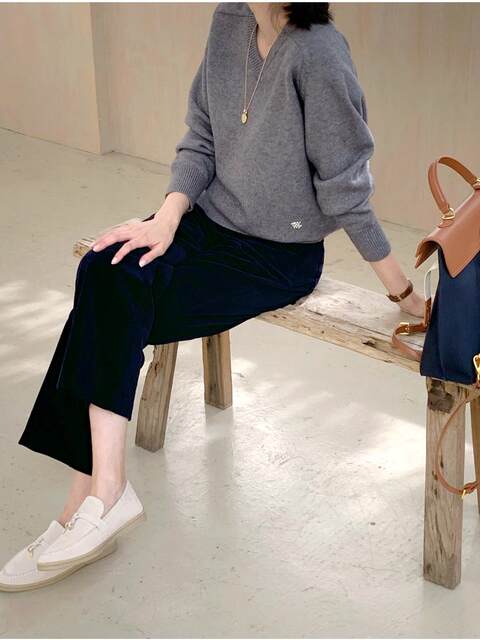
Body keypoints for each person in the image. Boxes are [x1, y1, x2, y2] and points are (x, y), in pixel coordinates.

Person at [0, 2, 424, 591]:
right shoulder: (230, 19)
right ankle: (100, 493)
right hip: (206, 222)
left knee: (109, 308)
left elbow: (345, 188)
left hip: (276, 258)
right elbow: (201, 135)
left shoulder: (319, 53)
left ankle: (89, 503)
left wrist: (402, 290)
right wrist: (166, 219)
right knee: (106, 266)